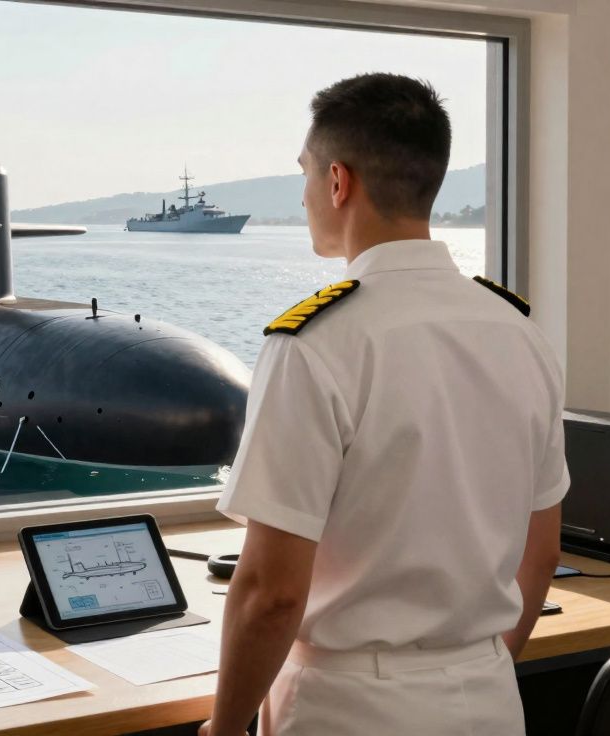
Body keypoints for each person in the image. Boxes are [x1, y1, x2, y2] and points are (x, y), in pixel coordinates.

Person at [197, 73, 567, 736]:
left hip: (350, 709)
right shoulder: (521, 333)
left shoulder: (317, 342)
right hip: (488, 700)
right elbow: (539, 554)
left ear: (338, 182)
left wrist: (222, 729)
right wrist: (469, 667)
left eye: (306, 173)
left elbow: (271, 594)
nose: (305, 192)